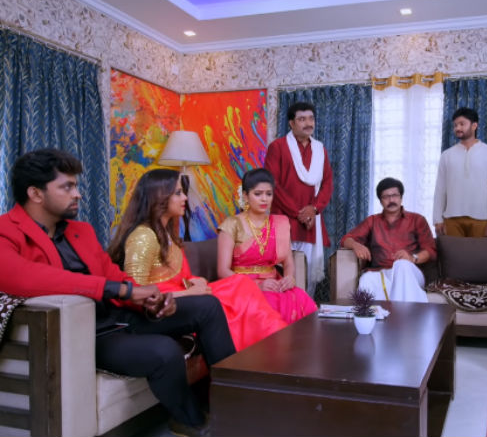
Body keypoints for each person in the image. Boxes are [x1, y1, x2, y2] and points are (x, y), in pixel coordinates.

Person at [0, 149, 235, 437]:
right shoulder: (6, 231)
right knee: (164, 351)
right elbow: (23, 277)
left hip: (121, 315)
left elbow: (111, 273)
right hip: (88, 336)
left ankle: (235, 403)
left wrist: (148, 300)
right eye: (67, 187)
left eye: (76, 186)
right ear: (35, 193)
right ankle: (191, 421)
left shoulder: (80, 231)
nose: (78, 194)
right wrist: (119, 289)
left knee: (207, 305)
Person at [108, 169, 287, 352]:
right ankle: (274, 347)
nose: (185, 198)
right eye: (178, 193)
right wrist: (190, 293)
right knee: (236, 296)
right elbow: (137, 294)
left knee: (241, 283)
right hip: (166, 305)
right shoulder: (143, 236)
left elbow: (180, 276)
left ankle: (275, 340)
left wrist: (195, 281)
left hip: (182, 293)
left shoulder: (167, 233)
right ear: (160, 196)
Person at [217, 168, 318, 324]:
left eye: (269, 194)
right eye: (258, 194)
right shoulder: (232, 224)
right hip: (242, 287)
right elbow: (223, 271)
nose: (264, 199)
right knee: (269, 305)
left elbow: (288, 262)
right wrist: (255, 286)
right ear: (245, 196)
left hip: (274, 284)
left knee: (301, 299)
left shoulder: (280, 223)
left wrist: (289, 277)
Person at [264, 102, 333, 297]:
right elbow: (272, 184)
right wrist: (299, 213)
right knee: (282, 271)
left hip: (311, 222)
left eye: (311, 118)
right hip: (284, 219)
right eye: (302, 119)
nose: (308, 123)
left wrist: (314, 210)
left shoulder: (320, 149)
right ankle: (286, 310)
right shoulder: (278, 147)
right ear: (291, 123)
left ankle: (306, 309)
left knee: (308, 275)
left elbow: (327, 183)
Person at [341, 177, 436, 302]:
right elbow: (346, 239)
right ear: (380, 201)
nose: (391, 200)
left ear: (401, 197)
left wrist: (412, 258)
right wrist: (356, 245)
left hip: (410, 273)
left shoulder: (417, 220)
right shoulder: (372, 221)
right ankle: (371, 315)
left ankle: (405, 313)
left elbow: (430, 250)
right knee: (367, 279)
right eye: (386, 197)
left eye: (395, 195)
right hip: (381, 272)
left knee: (401, 265)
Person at [433, 107, 487, 237]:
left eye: (462, 124)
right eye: (455, 125)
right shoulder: (447, 155)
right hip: (451, 218)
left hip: (481, 219)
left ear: (474, 126)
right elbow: (440, 189)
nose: (458, 128)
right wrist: (437, 219)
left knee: (479, 251)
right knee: (453, 251)